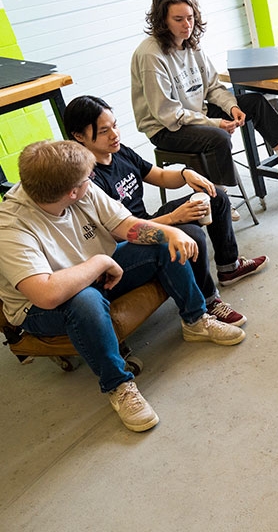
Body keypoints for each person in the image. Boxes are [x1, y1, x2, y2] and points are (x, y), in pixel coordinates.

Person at [0, 140, 246, 433]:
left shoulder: (79, 188)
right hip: (40, 306)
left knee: (162, 242)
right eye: (87, 179)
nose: (92, 180)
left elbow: (126, 226)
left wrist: (169, 232)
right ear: (71, 192)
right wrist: (101, 261)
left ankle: (195, 319)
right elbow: (47, 294)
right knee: (85, 300)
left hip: (98, 271)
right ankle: (118, 385)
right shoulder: (11, 227)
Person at [65, 95, 267, 327]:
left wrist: (185, 174)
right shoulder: (87, 181)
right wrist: (173, 218)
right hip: (129, 239)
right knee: (192, 233)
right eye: (103, 131)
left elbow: (158, 175)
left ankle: (229, 268)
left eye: (115, 125)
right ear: (79, 136)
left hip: (147, 220)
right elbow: (116, 234)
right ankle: (209, 301)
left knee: (215, 197)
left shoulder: (119, 152)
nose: (114, 134)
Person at [131, 0, 278, 188]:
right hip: (165, 129)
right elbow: (168, 114)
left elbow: (213, 87)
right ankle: (218, 195)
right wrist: (214, 123)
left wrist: (231, 107)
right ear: (163, 20)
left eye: (190, 17)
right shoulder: (151, 55)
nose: (187, 25)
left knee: (255, 102)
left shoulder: (191, 44)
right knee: (219, 137)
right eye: (178, 19)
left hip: (195, 113)